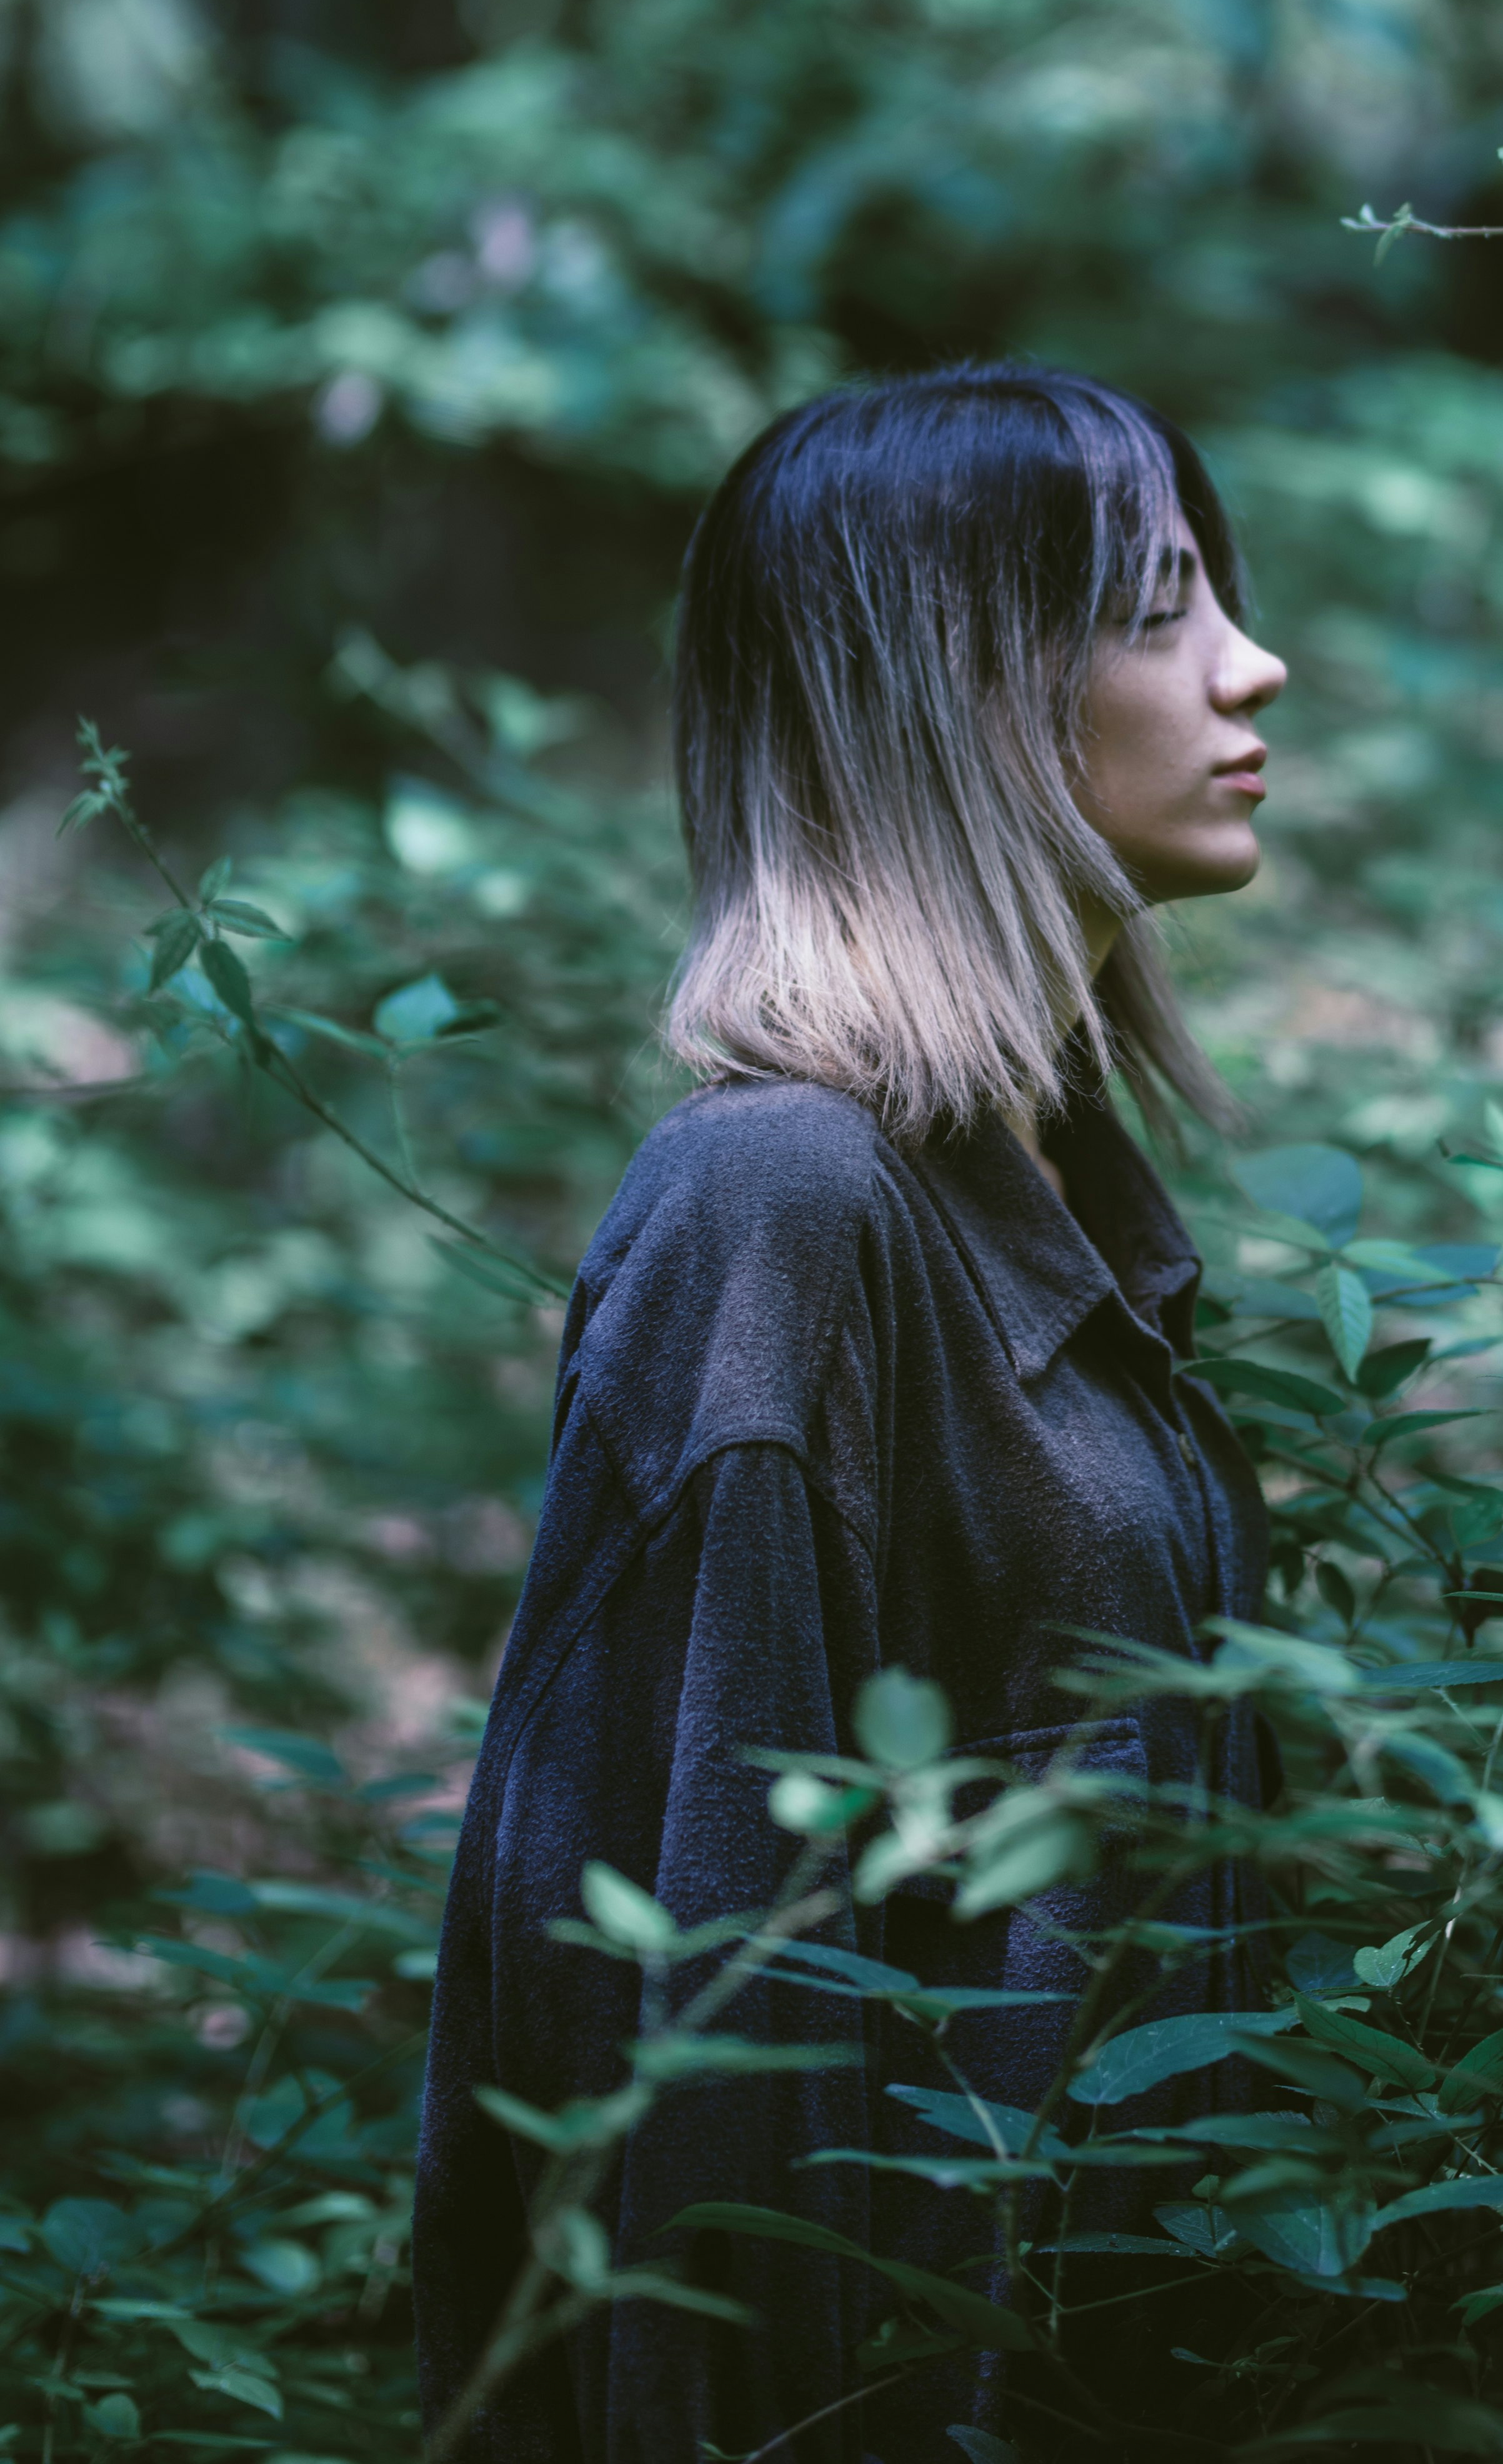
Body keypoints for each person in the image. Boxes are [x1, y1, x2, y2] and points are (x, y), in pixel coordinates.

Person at [413, 365, 1289, 2462]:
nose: (1252, 663)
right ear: (967, 692)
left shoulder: (1047, 1186)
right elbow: (695, 2027)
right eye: (1159, 607)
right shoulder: (780, 1208)